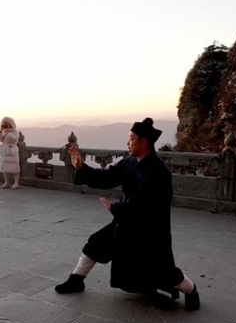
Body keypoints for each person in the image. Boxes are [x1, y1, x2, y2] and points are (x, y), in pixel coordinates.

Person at [55, 118, 200, 311]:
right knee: (97, 243)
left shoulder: (159, 171)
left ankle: (191, 291)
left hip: (150, 230)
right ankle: (76, 280)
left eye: (131, 139)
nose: (127, 143)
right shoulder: (130, 162)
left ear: (143, 143)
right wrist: (82, 167)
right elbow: (106, 176)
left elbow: (143, 202)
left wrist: (114, 208)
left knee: (163, 271)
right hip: (127, 222)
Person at [0, 117, 20, 189]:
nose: (5, 125)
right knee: (5, 167)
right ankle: (7, 182)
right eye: (4, 124)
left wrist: (9, 132)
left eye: (7, 124)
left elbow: (14, 140)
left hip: (12, 151)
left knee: (15, 168)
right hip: (4, 151)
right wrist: (0, 132)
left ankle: (16, 183)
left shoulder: (15, 132)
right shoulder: (3, 131)